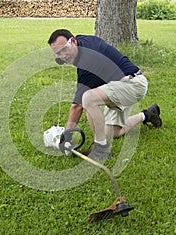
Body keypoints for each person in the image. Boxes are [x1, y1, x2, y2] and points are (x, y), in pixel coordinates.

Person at [48, 29, 162, 159]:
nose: (62, 56)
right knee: (111, 132)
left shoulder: (88, 59)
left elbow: (77, 106)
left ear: (73, 41)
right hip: (117, 85)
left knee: (88, 98)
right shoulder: (82, 43)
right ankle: (147, 115)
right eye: (58, 54)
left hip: (132, 84)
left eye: (64, 50)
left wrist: (66, 136)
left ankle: (101, 150)